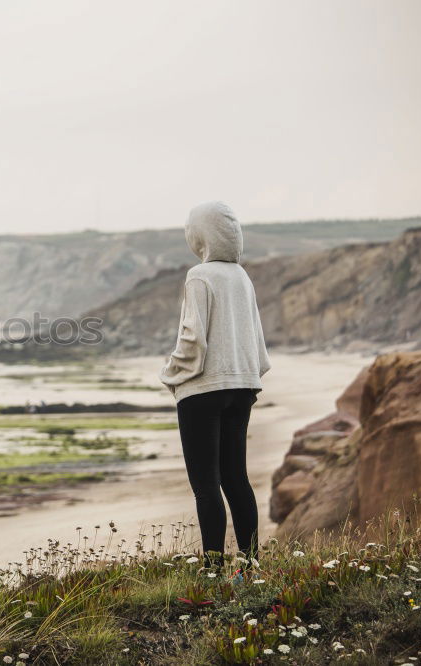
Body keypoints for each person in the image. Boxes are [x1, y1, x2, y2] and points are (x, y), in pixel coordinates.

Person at [158, 201, 271, 578]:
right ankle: (251, 568)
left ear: (201, 235)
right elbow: (257, 339)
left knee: (206, 486)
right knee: (236, 479)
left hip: (204, 390)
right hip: (243, 385)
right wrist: (251, 375)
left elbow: (193, 339)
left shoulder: (199, 276)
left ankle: (212, 572)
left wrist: (171, 374)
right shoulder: (242, 276)